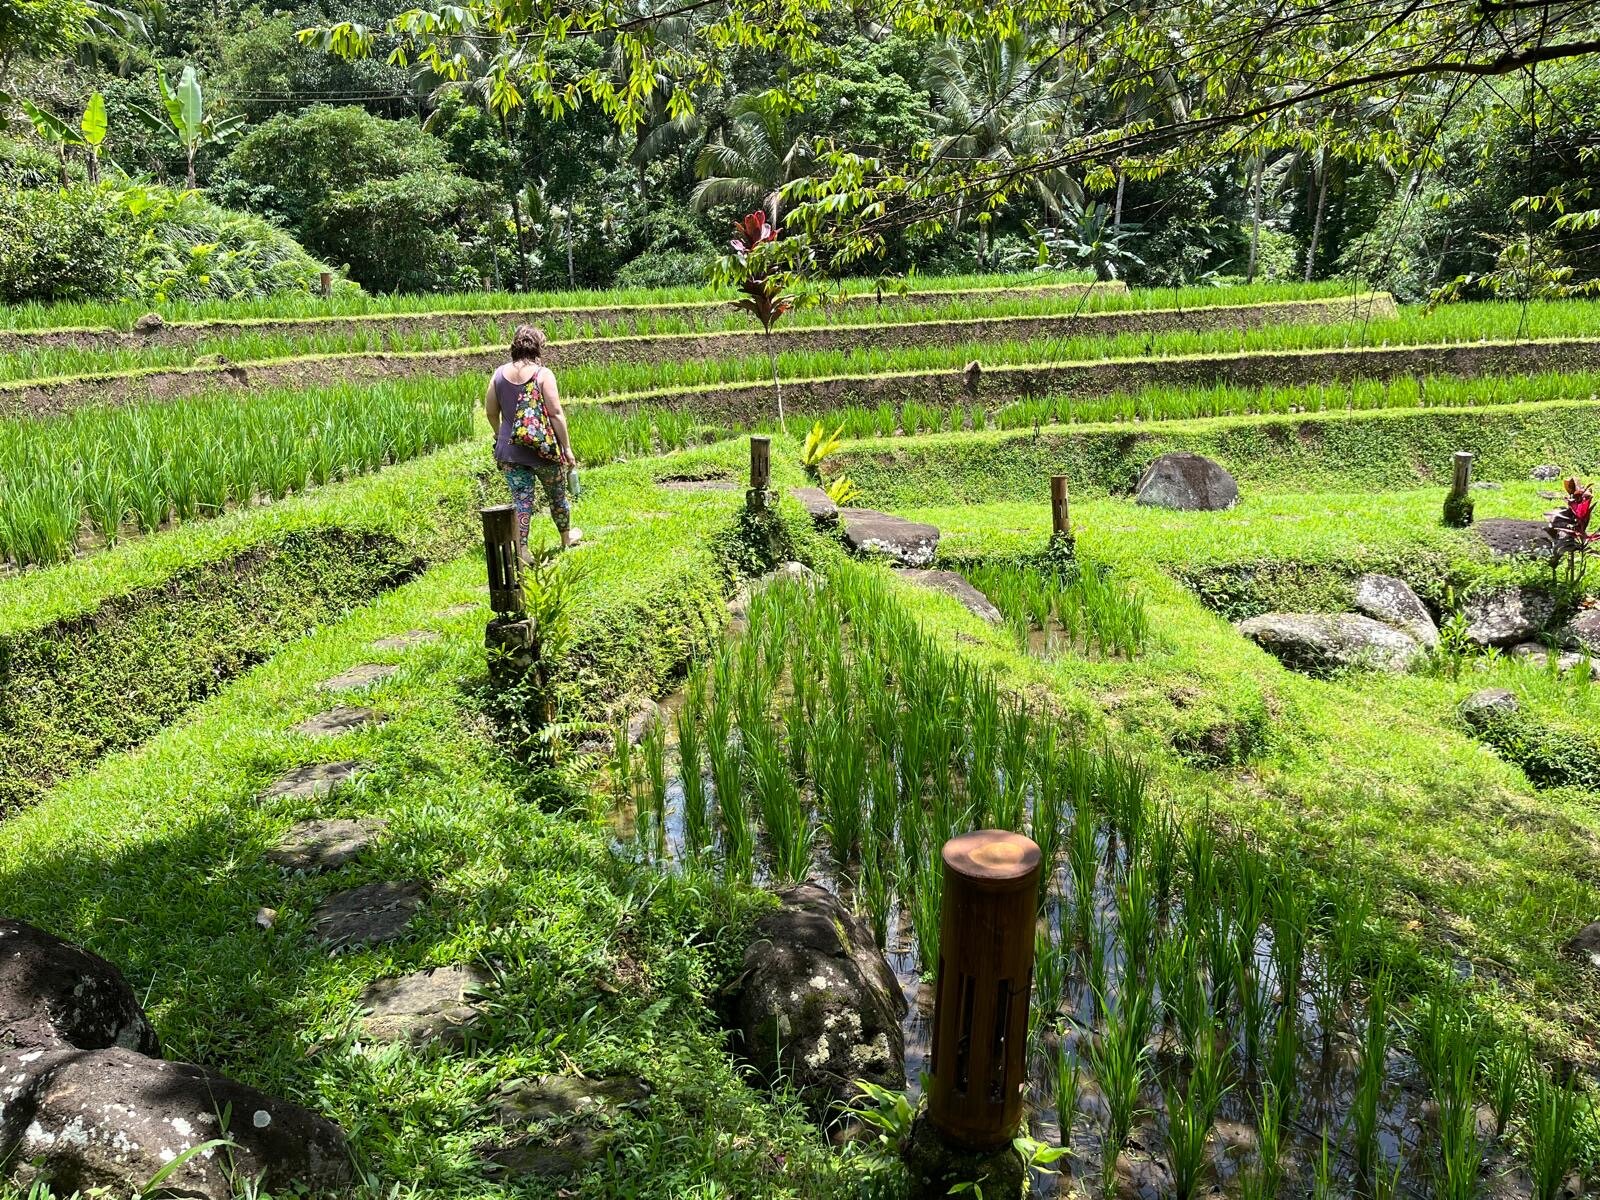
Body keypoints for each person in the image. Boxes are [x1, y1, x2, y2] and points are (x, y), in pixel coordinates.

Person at [485, 324, 581, 556]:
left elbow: (490, 411)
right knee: (556, 495)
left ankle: (523, 550)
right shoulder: (543, 374)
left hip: (510, 452)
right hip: (544, 450)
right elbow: (556, 413)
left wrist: (500, 435)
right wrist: (566, 448)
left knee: (521, 500)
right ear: (538, 347)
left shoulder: (498, 374)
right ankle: (566, 538)